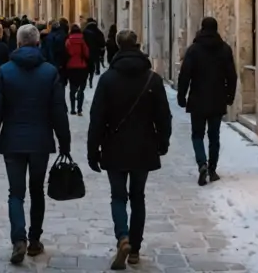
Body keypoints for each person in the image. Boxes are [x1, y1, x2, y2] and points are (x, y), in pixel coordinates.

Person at [0, 24, 71, 265]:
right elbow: (58, 111)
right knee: (37, 191)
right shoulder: (49, 72)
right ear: (38, 43)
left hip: (13, 140)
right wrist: (64, 142)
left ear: (18, 43)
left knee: (16, 193)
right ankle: (34, 240)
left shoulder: (4, 71)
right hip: (41, 141)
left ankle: (18, 239)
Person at [88, 29, 172, 270]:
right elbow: (163, 116)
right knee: (138, 197)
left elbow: (97, 118)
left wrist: (93, 150)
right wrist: (163, 142)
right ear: (137, 44)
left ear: (117, 46)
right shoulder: (152, 79)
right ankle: (135, 249)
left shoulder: (107, 80)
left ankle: (122, 236)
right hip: (144, 146)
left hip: (114, 146)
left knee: (117, 196)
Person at [177, 16, 238, 186]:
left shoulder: (194, 50)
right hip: (217, 99)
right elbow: (231, 76)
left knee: (197, 135)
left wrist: (182, 96)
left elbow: (185, 75)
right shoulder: (224, 49)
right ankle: (212, 168)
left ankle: (201, 163)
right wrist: (229, 95)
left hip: (197, 99)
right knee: (214, 136)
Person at [65, 24, 89, 116]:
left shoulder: (68, 41)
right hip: (82, 66)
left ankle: (72, 109)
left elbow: (66, 53)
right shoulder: (83, 41)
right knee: (81, 90)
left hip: (71, 66)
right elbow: (87, 54)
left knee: (72, 89)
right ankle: (79, 109)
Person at [83, 18, 106, 88]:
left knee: (87, 65)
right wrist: (101, 51)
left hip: (86, 51)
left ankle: (86, 78)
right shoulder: (98, 31)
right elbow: (102, 42)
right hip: (95, 51)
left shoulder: (85, 31)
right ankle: (95, 72)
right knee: (96, 62)